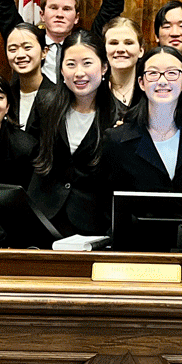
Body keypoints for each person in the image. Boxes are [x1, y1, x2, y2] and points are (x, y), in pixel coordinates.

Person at [27, 30, 118, 240]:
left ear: (104, 67)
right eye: (71, 64)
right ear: (60, 69)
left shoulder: (119, 116)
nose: (79, 73)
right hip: (42, 217)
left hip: (91, 225)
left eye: (87, 63)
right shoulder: (45, 103)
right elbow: (29, 154)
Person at [103, 47, 182, 195]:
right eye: (153, 73)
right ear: (141, 83)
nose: (162, 81)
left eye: (172, 73)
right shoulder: (116, 141)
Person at [5, 23, 53, 129]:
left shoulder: (57, 96)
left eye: (27, 47)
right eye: (13, 49)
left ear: (44, 52)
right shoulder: (5, 95)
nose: (20, 55)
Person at [101, 17, 144, 111]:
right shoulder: (96, 90)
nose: (120, 49)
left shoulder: (149, 88)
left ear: (141, 51)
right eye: (113, 43)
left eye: (128, 43)